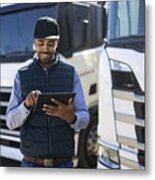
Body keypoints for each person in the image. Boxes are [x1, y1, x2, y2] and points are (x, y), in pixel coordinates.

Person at [6, 16, 89, 168]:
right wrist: (26, 105)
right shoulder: (21, 75)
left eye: (50, 43)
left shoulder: (71, 74)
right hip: (31, 165)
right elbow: (10, 122)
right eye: (40, 43)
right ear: (34, 43)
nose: (45, 48)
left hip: (63, 165)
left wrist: (72, 117)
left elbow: (85, 118)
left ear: (57, 43)